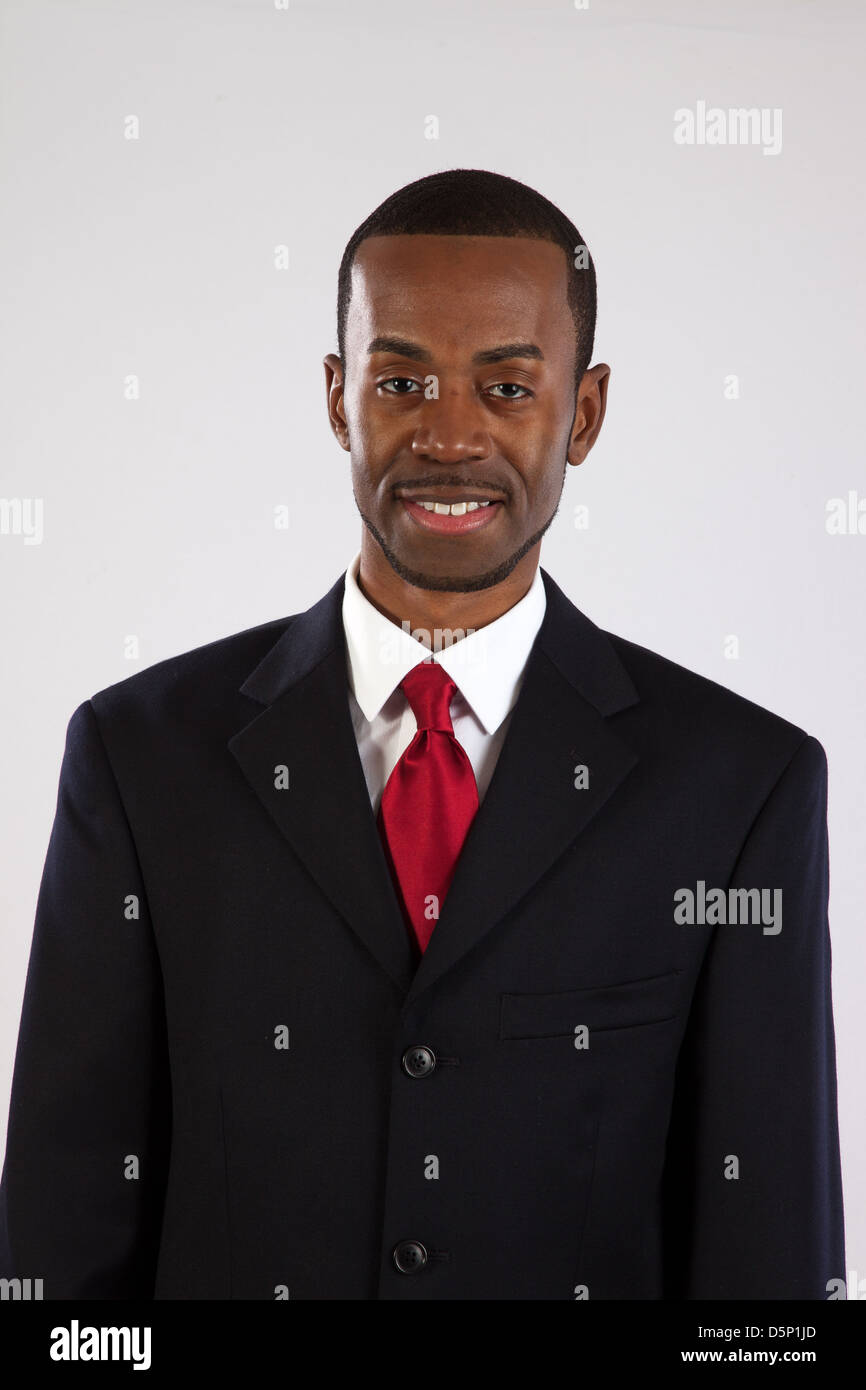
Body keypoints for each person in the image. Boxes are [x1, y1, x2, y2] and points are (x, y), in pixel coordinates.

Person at [0, 168, 845, 1299]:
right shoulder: (141, 756)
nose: (449, 438)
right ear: (339, 397)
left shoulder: (740, 787)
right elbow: (60, 1245)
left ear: (582, 414)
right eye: (402, 379)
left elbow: (765, 1268)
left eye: (504, 388)